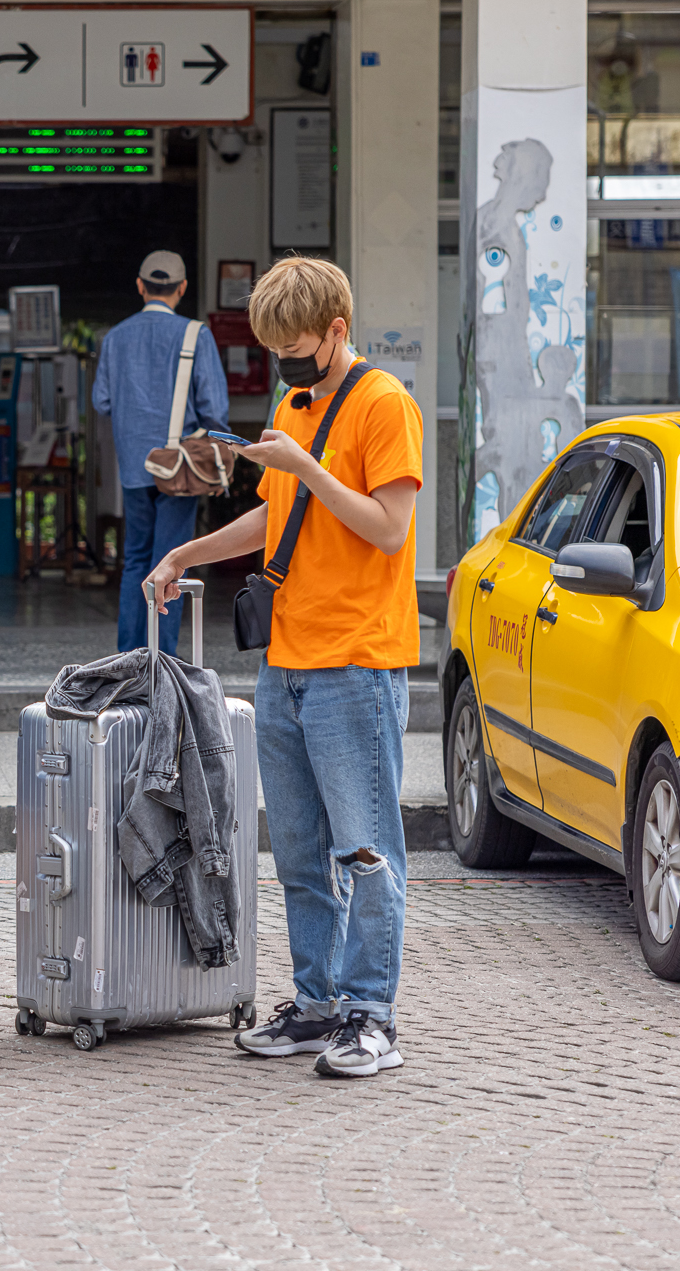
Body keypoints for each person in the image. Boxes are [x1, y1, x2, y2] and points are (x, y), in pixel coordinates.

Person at [146, 255, 422, 1080]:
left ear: (338, 330)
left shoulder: (384, 404)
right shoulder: (294, 403)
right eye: (275, 353)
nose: (287, 367)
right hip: (286, 661)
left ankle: (372, 1016)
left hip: (357, 663)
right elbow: (278, 514)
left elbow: (388, 527)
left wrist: (306, 468)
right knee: (298, 851)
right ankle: (316, 1006)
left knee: (366, 853)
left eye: (297, 350)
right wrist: (185, 553)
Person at [91, 249, 229, 657]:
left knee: (135, 558)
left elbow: (101, 401)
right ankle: (161, 659)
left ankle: (126, 657)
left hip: (135, 468)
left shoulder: (115, 337)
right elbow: (215, 411)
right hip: (181, 471)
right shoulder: (195, 335)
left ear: (139, 286)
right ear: (182, 288)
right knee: (173, 562)